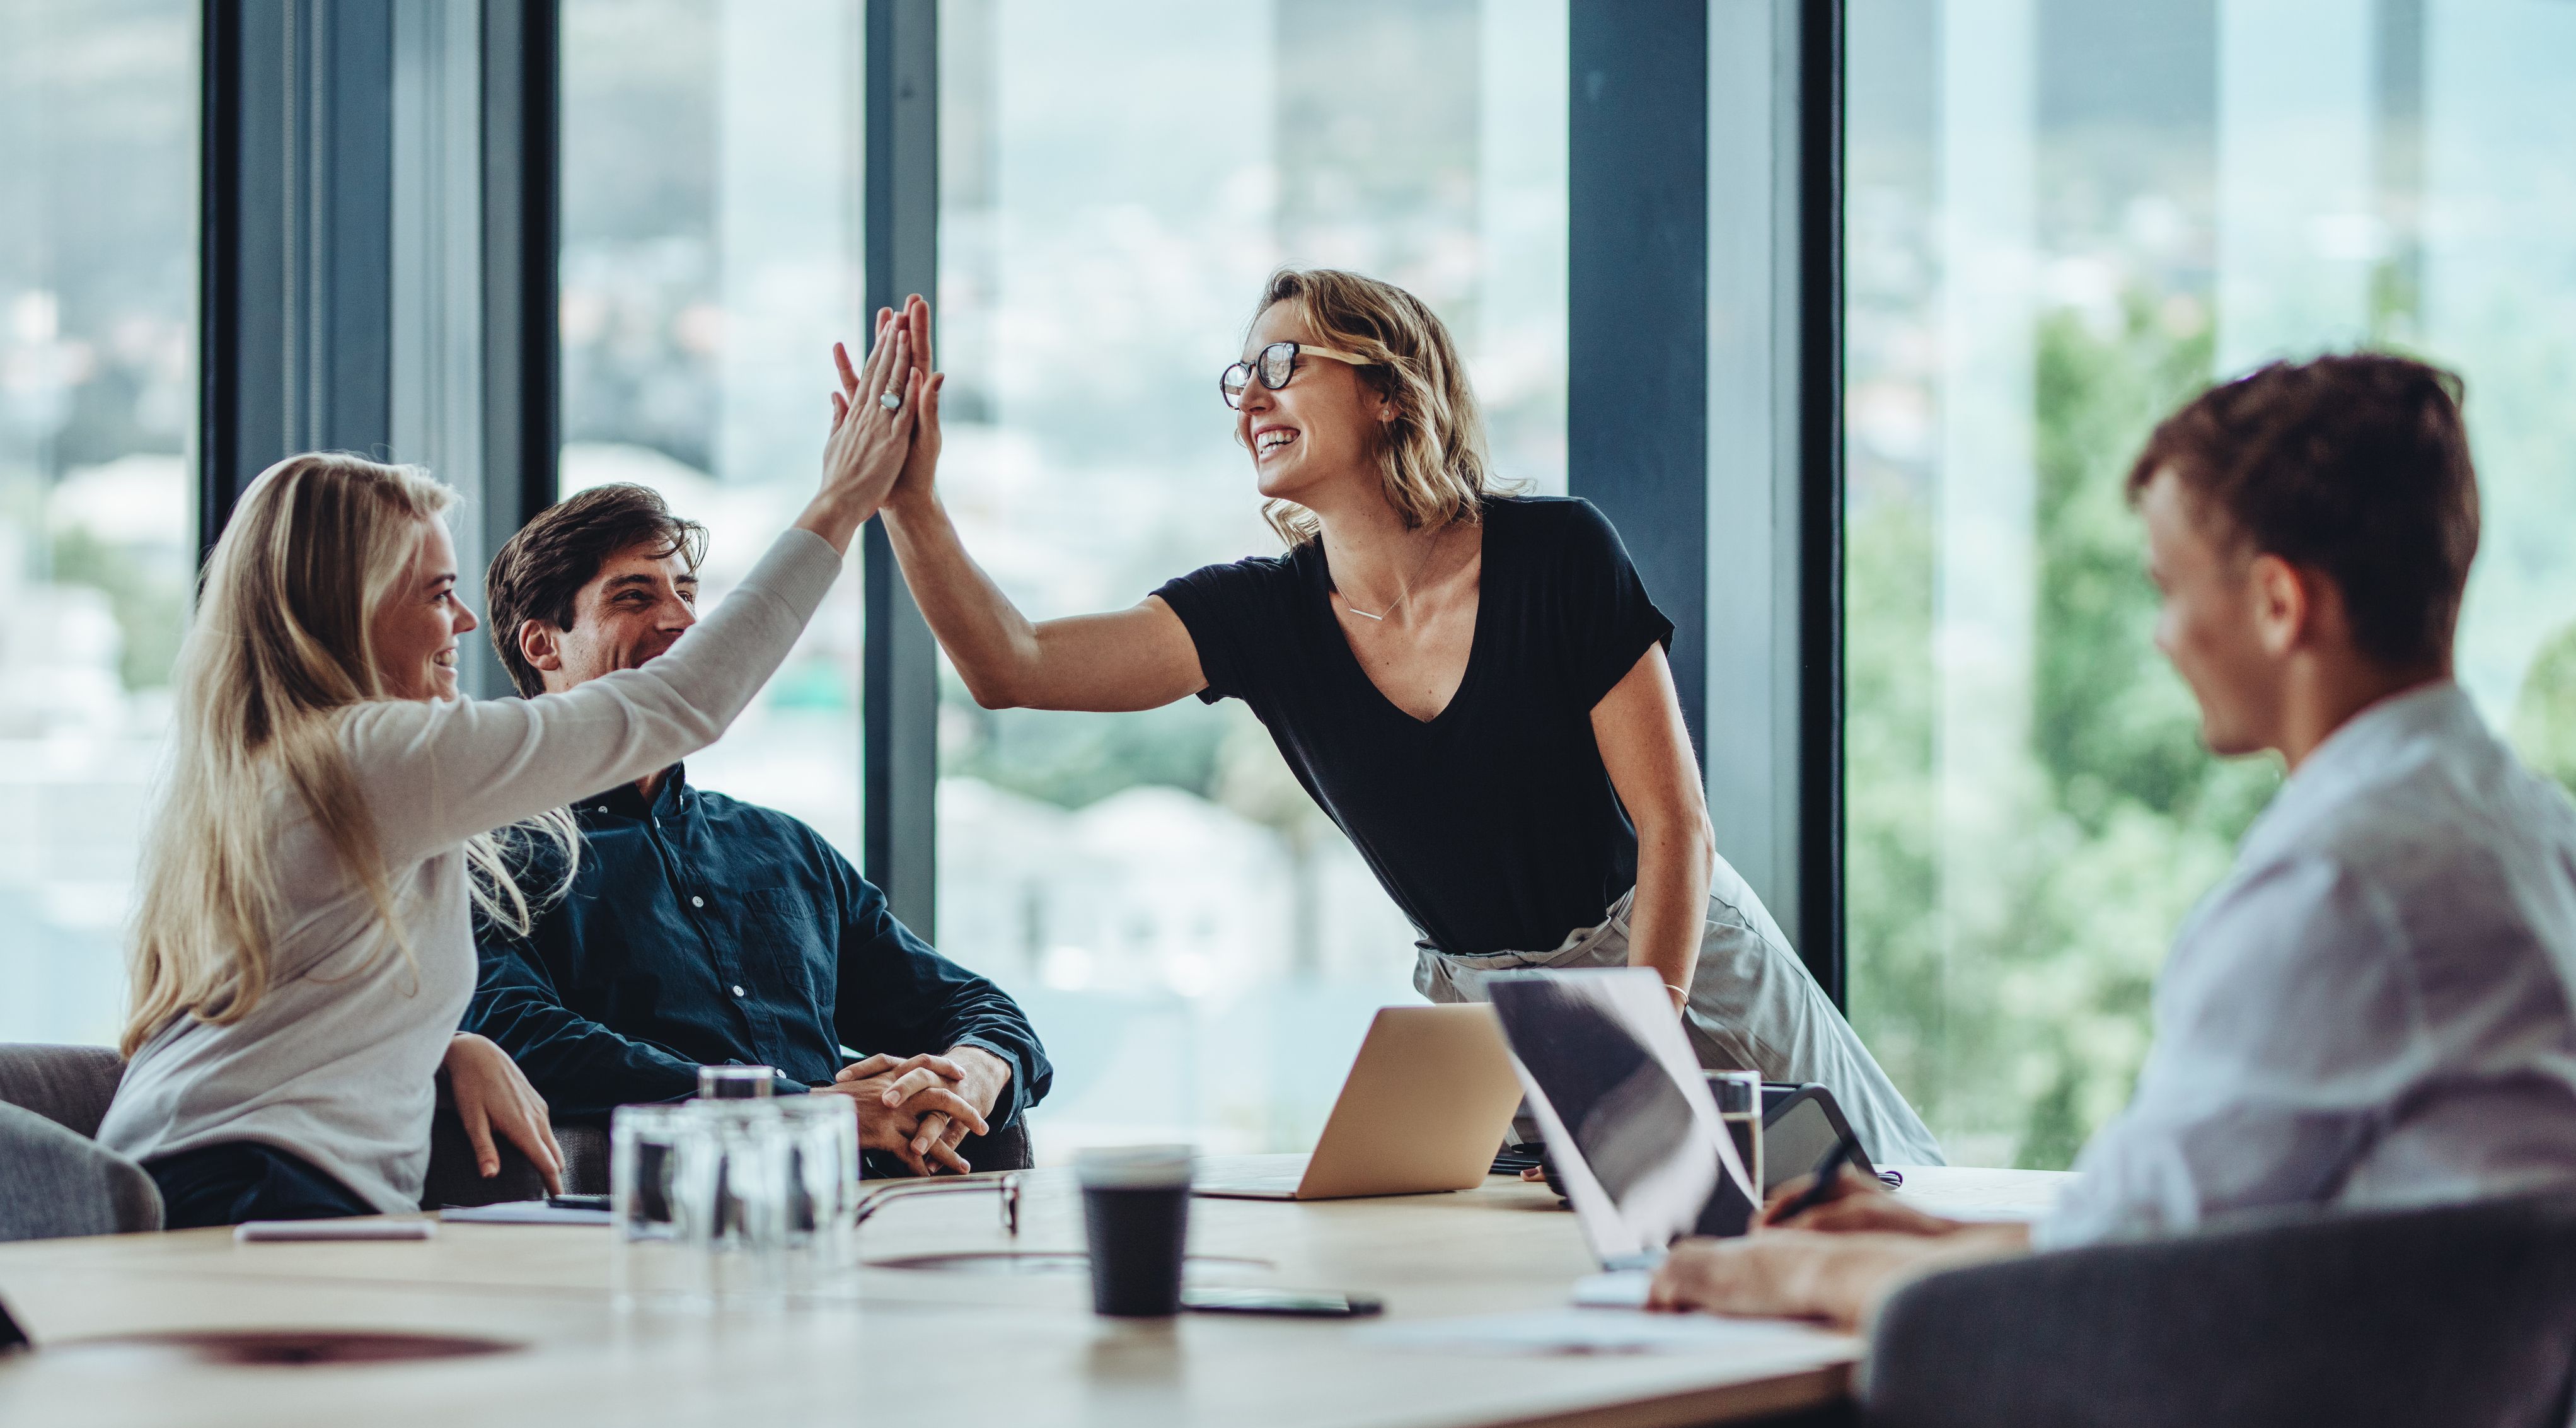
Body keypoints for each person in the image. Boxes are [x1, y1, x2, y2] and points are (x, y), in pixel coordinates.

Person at [846, 270, 1942, 1167]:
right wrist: (912, 503)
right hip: (1487, 1010)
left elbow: (1675, 828)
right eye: (1241, 378)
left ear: (1386, 390)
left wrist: (1632, 1037)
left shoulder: (1556, 553)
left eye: (1284, 364)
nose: (1250, 399)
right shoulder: (1259, 616)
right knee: (1560, 1278)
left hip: (1676, 950)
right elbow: (1011, 664)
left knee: (1880, 1201)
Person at [1651, 352, 2576, 1328]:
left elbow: (2112, 1288)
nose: (2162, 637)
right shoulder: (2525, 830)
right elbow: (2163, 1229)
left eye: (2170, 590)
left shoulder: (2341, 881)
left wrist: (1787, 1276)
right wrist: (1920, 1236)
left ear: (2276, 604)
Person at [93, 315, 921, 1228]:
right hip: (255, 1190)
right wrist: (839, 505)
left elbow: (302, 1002)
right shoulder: (366, 756)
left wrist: (448, 1044)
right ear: (349, 607)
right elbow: (680, 705)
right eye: (436, 593)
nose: (463, 625)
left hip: (198, 1174)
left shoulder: (277, 767)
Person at [461, 484, 1051, 1178]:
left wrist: (972, 1071)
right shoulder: (489, 852)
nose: (683, 620)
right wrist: (801, 1107)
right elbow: (520, 1035)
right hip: (649, 1223)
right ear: (543, 643)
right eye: (634, 596)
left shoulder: (783, 847)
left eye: (686, 591)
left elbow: (975, 1006)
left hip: (861, 1218)